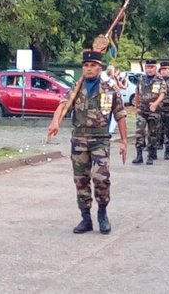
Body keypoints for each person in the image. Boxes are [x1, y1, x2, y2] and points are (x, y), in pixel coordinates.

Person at [48, 51, 127, 235]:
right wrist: (54, 121)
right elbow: (62, 105)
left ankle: (102, 213)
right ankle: (85, 218)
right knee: (81, 179)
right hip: (79, 140)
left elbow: (121, 115)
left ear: (99, 68)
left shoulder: (110, 88)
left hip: (100, 139)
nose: (89, 68)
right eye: (86, 65)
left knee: (101, 178)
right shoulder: (76, 88)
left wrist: (124, 141)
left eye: (92, 65)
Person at [131, 59, 165, 165]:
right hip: (142, 109)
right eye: (147, 67)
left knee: (152, 133)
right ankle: (139, 155)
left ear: (155, 68)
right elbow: (137, 94)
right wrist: (136, 108)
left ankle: (151, 155)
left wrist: (156, 103)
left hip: (154, 110)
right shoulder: (141, 79)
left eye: (151, 67)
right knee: (139, 132)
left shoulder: (160, 80)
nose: (149, 70)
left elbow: (162, 94)